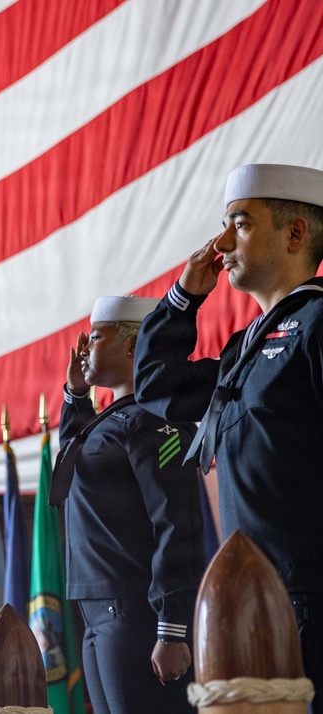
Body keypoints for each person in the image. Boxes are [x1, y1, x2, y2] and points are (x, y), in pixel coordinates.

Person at [134, 163, 323, 703]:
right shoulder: (245, 348)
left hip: (308, 596)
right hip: (251, 603)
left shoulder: (316, 324)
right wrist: (180, 301)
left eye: (238, 223)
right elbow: (157, 387)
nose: (221, 243)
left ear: (294, 233)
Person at [57, 296, 204, 714]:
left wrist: (172, 627)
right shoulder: (114, 420)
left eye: (97, 336)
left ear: (131, 344)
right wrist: (75, 397)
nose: (84, 348)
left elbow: (177, 520)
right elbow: (72, 463)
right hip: (97, 612)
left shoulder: (154, 419)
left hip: (136, 613)